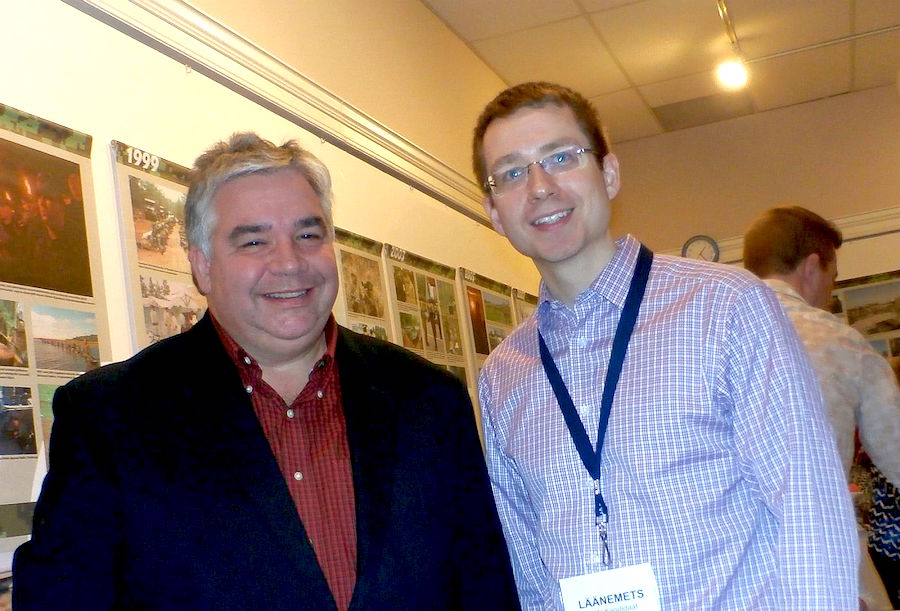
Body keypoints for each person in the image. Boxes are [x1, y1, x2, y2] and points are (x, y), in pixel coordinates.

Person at [13, 132, 519, 610]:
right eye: (253, 242)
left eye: (308, 234)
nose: (290, 263)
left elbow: (483, 588)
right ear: (202, 266)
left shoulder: (429, 401)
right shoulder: (110, 417)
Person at [472, 81, 858, 610]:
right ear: (495, 211)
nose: (539, 186)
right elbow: (528, 569)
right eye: (512, 173)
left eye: (561, 157)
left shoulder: (726, 309)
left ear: (608, 174)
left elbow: (810, 515)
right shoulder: (502, 376)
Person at [743, 205, 900, 610]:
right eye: (833, 275)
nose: (830, 288)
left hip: (726, 568)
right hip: (822, 556)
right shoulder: (841, 343)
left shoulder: (699, 338)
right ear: (813, 266)